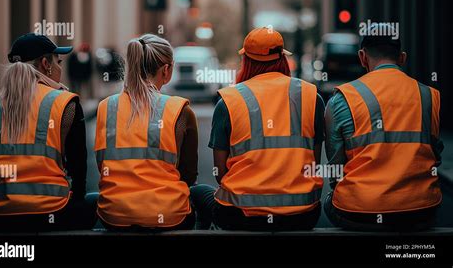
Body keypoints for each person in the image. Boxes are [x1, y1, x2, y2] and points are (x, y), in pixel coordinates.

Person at [191, 27, 325, 231]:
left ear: (246, 60)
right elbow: (313, 162)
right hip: (303, 214)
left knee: (196, 192)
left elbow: (220, 173)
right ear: (282, 58)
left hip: (240, 215)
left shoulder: (228, 101)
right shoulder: (312, 97)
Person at [323, 24, 443, 231]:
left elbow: (335, 165)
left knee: (329, 201)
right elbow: (435, 154)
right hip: (422, 209)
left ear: (362, 57)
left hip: (358, 212)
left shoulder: (343, 98)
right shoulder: (429, 96)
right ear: (402, 58)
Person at [0, 33, 97, 232]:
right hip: (52, 213)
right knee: (94, 201)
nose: (60, 68)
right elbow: (78, 172)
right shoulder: (65, 103)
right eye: (58, 62)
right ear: (45, 64)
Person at [95, 34, 198, 231]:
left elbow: (104, 167)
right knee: (202, 193)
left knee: (92, 198)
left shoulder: (106, 107)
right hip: (168, 215)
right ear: (166, 70)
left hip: (114, 216)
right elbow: (189, 175)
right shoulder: (180, 110)